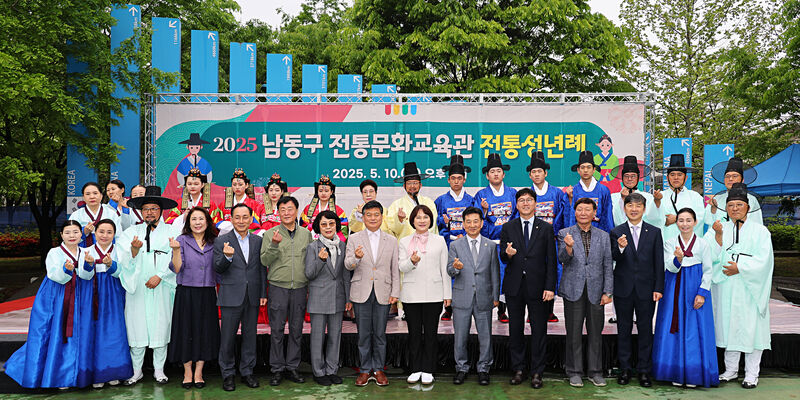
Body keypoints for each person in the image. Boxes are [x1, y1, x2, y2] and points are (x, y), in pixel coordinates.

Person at [4, 221, 95, 389]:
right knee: (53, 332)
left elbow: (87, 276)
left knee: (75, 334)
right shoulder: (54, 252)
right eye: (68, 232)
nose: (72, 236)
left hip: (79, 296)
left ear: (81, 234)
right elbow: (54, 275)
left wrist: (89, 265)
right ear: (61, 235)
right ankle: (56, 375)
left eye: (75, 232)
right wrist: (66, 270)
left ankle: (71, 376)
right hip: (56, 297)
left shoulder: (86, 252)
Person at [710, 183, 773, 389]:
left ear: (748, 207)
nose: (735, 208)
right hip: (727, 286)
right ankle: (730, 370)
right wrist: (718, 237)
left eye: (739, 204)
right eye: (731, 205)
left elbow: (765, 260)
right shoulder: (720, 228)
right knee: (730, 327)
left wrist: (741, 267)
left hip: (750, 288)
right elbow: (709, 255)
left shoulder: (760, 231)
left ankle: (752, 374)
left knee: (751, 329)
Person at [117, 186, 179, 385]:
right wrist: (134, 251)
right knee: (137, 328)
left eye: (154, 208)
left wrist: (160, 276)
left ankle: (159, 370)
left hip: (163, 286)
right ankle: (136, 371)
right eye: (146, 209)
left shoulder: (172, 231)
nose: (150, 212)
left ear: (161, 211)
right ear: (140, 211)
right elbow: (122, 259)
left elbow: (177, 257)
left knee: (161, 327)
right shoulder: (130, 233)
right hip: (138, 287)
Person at [653, 207, 718, 387]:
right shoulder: (670, 243)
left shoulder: (703, 244)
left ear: (695, 222)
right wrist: (678, 259)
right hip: (673, 289)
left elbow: (708, 270)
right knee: (672, 327)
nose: (685, 224)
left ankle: (693, 374)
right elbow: (670, 268)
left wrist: (702, 294)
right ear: (676, 222)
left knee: (694, 330)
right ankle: (674, 372)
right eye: (681, 220)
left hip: (694, 290)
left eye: (689, 220)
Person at [500, 188, 556, 389]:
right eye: (522, 200)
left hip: (538, 287)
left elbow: (551, 260)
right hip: (515, 286)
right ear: (516, 205)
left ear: (535, 204)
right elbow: (503, 256)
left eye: (529, 200)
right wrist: (508, 254)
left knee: (539, 330)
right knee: (515, 329)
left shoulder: (546, 228)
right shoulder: (508, 227)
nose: (525, 203)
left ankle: (537, 372)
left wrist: (550, 287)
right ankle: (518, 369)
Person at [609, 193, 665, 387]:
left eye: (638, 206)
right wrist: (620, 248)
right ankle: (624, 369)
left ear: (644, 209)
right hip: (623, 289)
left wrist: (658, 287)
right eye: (630, 206)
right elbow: (613, 257)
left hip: (646, 290)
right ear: (624, 208)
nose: (634, 209)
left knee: (645, 330)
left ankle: (644, 371)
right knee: (623, 330)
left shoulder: (655, 232)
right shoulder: (616, 232)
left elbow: (659, 262)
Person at [557, 197, 613, 388]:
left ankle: (595, 372)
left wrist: (608, 291)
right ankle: (574, 372)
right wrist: (568, 247)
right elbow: (562, 259)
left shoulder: (603, 236)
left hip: (596, 291)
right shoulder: (564, 233)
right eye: (579, 209)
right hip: (573, 289)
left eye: (587, 210)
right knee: (573, 333)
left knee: (596, 333)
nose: (583, 213)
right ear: (575, 212)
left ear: (594, 213)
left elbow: (607, 264)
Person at [345, 200, 400, 387]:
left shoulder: (391, 240)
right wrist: (356, 257)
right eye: (368, 215)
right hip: (361, 291)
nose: (373, 218)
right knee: (363, 334)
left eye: (376, 215)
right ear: (363, 217)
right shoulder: (354, 238)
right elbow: (348, 265)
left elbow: (395, 269)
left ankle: (378, 369)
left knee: (379, 334)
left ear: (382, 217)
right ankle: (364, 370)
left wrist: (395, 292)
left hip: (383, 292)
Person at [260, 196, 312, 386]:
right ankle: (277, 369)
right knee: (277, 330)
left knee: (297, 330)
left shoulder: (306, 234)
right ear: (278, 213)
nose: (287, 213)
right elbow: (264, 261)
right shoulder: (270, 234)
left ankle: (292, 367)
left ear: (296, 211)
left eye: (290, 209)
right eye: (282, 210)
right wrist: (274, 244)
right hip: (278, 287)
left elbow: (310, 261)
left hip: (300, 287)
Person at [215, 204, 266, 391]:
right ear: (231, 219)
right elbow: (217, 268)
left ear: (251, 219)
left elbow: (261, 269)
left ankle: (247, 372)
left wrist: (263, 293)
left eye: (245, 217)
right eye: (237, 217)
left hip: (252, 295)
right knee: (227, 338)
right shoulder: (222, 241)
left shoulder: (258, 241)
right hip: (230, 296)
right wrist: (227, 257)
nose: (241, 221)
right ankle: (228, 374)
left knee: (250, 336)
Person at [168, 207, 220, 390]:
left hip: (207, 293)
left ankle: (199, 372)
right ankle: (187, 372)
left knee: (204, 332)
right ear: (188, 223)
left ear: (207, 221)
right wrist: (176, 251)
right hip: (186, 293)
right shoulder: (181, 240)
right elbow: (176, 268)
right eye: (194, 219)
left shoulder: (215, 241)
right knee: (186, 331)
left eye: (201, 219)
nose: (198, 223)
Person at [447, 206, 500, 386]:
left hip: (484, 296)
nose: (472, 225)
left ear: (482, 223)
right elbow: (449, 270)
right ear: (463, 224)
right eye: (468, 222)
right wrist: (456, 268)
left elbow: (495, 272)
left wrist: (495, 296)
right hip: (462, 297)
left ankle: (483, 368)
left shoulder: (490, 245)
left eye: (475, 221)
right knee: (460, 336)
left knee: (485, 336)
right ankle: (461, 368)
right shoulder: (455, 245)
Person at [399, 205, 451, 385]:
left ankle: (428, 369)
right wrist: (411, 261)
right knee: (414, 334)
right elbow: (401, 267)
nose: (422, 220)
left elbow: (444, 269)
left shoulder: (440, 241)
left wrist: (447, 294)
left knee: (430, 333)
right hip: (411, 294)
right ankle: (415, 368)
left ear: (431, 220)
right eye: (418, 217)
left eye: (425, 217)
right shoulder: (404, 241)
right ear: (412, 221)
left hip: (434, 294)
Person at [84, 219, 133, 388]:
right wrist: (88, 265)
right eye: (101, 231)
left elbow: (125, 272)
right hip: (92, 293)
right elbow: (83, 274)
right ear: (95, 232)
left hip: (114, 292)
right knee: (94, 331)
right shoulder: (86, 250)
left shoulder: (120, 250)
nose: (105, 235)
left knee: (115, 331)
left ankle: (115, 371)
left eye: (109, 232)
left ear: (114, 234)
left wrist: (112, 265)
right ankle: (97, 374)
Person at [304, 210, 351, 386]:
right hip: (318, 298)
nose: (328, 227)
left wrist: (348, 298)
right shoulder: (312, 247)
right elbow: (309, 274)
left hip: (338, 297)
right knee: (318, 338)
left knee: (335, 336)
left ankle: (332, 370)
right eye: (324, 224)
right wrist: (320, 260)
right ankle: (318, 372)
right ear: (318, 227)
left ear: (336, 225)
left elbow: (345, 275)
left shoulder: (342, 246)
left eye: (331, 224)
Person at [474, 153, 517, 323]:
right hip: (489, 243)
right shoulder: (481, 195)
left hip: (508, 244)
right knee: (489, 275)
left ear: (503, 174)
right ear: (487, 175)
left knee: (508, 275)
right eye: (492, 171)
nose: (496, 174)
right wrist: (484, 211)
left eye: (498, 171)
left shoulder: (513, 193)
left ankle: (503, 310)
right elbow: (476, 221)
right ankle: (487, 308)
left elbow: (517, 216)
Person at [528, 150, 569, 323]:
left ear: (546, 173)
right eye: (534, 172)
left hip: (552, 240)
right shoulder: (526, 194)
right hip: (531, 242)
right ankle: (532, 312)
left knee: (552, 271)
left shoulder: (557, 193)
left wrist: (555, 233)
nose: (537, 174)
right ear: (530, 175)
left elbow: (562, 214)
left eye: (540, 171)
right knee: (533, 273)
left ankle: (549, 310)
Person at [435, 155, 474, 321]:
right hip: (448, 242)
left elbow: (475, 221)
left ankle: (466, 304)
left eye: (459, 178)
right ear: (448, 180)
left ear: (464, 179)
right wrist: (443, 224)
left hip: (466, 241)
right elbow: (434, 222)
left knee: (465, 272)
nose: (456, 181)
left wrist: (464, 235)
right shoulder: (440, 200)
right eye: (453, 178)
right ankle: (448, 307)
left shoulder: (471, 200)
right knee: (448, 272)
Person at [385, 161, 438, 239]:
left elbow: (433, 226)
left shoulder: (429, 203)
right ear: (404, 186)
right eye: (409, 183)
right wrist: (399, 220)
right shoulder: (396, 205)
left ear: (420, 185)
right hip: (406, 244)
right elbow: (392, 229)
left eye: (415, 183)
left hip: (427, 243)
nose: (412, 186)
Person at [564, 151, 614, 232]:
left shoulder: (603, 190)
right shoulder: (573, 191)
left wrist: (607, 235)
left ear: (594, 169)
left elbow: (608, 216)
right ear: (578, 170)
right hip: (578, 233)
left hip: (599, 232)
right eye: (582, 167)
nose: (585, 170)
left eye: (589, 167)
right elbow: (568, 216)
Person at [705, 157, 763, 228]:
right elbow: (707, 221)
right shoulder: (716, 199)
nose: (730, 179)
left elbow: (757, 224)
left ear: (742, 180)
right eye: (727, 176)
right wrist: (713, 209)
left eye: (735, 176)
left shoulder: (751, 199)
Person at [658, 154, 705, 240]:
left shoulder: (695, 197)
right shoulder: (660, 196)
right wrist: (664, 221)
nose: (676, 177)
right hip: (665, 243)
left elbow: (699, 219)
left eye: (679, 174)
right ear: (667, 178)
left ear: (685, 178)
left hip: (689, 245)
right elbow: (652, 219)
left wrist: (677, 219)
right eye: (672, 175)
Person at [610, 155, 664, 228]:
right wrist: (622, 199)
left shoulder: (648, 197)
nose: (629, 179)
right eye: (626, 176)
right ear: (622, 178)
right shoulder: (613, 198)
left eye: (633, 176)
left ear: (638, 177)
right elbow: (614, 220)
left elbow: (654, 220)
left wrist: (657, 201)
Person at [215, 168, 265, 235]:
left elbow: (256, 225)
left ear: (246, 185)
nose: (237, 187)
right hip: (228, 236)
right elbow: (217, 222)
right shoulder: (223, 205)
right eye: (234, 185)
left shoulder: (255, 205)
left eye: (240, 185)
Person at [70, 182, 122, 247]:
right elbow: (69, 237)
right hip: (84, 251)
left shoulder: (111, 213)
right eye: (88, 194)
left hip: (108, 251)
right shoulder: (76, 215)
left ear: (101, 196)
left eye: (95, 193)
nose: (92, 197)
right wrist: (84, 232)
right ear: (83, 197)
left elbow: (118, 236)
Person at [300, 175, 349, 241]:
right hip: (312, 242)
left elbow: (343, 229)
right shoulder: (308, 209)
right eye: (320, 191)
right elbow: (302, 227)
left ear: (331, 192)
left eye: (326, 191)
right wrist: (313, 227)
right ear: (317, 192)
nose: (323, 193)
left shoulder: (339, 211)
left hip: (332, 243)